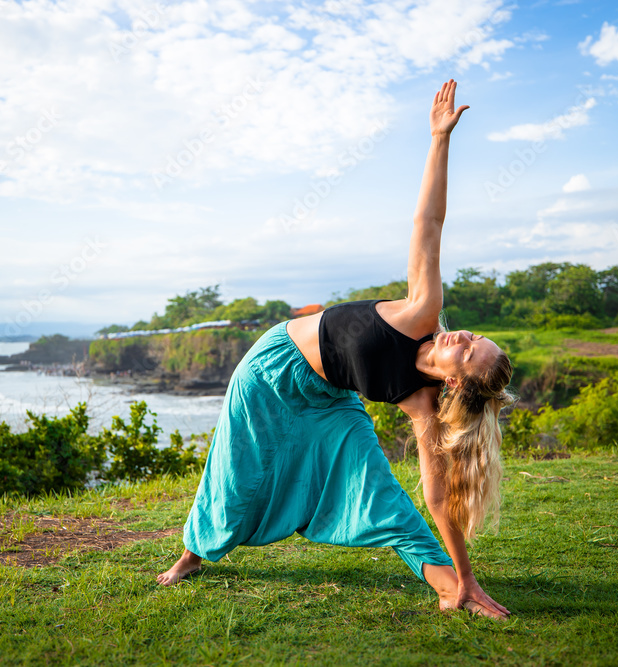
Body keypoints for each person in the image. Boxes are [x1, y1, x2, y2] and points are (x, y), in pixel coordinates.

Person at [158, 80, 514, 620]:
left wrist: (469, 572)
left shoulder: (420, 406)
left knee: (386, 495)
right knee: (238, 475)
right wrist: (439, 139)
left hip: (330, 399)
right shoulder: (422, 309)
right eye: (472, 336)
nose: (461, 337)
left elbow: (439, 499)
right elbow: (429, 224)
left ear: (456, 382)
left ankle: (451, 589)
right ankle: (192, 554)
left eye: (468, 352)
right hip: (271, 371)